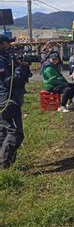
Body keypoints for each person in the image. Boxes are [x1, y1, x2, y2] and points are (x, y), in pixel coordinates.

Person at [0, 35, 29, 168]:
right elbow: (8, 82)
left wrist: (20, 66)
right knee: (16, 133)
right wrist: (19, 69)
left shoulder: (5, 58)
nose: (10, 46)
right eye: (7, 43)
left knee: (4, 132)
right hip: (7, 100)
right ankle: (4, 165)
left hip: (8, 99)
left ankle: (6, 162)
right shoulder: (1, 60)